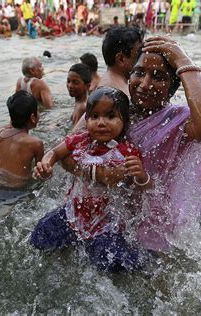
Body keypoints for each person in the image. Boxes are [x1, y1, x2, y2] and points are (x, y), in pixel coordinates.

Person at [35, 36, 201, 253]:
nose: (145, 84)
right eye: (139, 72)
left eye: (159, 77)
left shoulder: (178, 122)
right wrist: (100, 174)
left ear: (173, 86)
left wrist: (182, 60)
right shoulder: (110, 110)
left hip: (145, 226)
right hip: (92, 210)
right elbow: (67, 152)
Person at [30, 87, 149, 272]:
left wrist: (141, 175)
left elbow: (132, 183)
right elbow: (54, 152)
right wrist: (45, 165)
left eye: (110, 116)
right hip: (73, 215)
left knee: (114, 263)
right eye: (94, 116)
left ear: (125, 122)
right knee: (40, 236)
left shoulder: (127, 152)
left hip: (105, 223)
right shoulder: (81, 140)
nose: (101, 123)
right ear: (86, 120)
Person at [0, 91, 44, 187]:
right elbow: (40, 174)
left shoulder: (1, 134)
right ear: (33, 117)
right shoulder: (36, 143)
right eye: (38, 111)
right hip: (18, 192)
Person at [98, 26, 143, 97]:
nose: (143, 57)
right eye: (139, 52)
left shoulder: (105, 83)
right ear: (121, 59)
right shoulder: (122, 93)